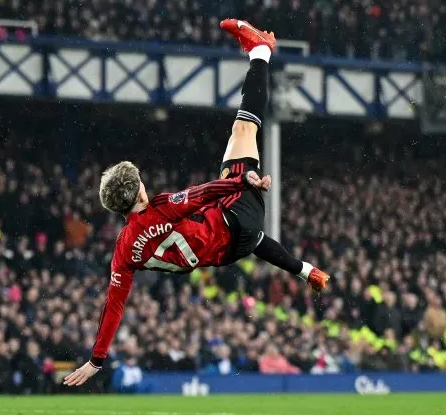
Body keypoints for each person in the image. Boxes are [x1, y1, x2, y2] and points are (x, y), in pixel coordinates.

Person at [64, 20, 330, 387]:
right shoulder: (161, 207)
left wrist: (97, 359)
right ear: (140, 191)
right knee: (244, 130)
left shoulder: (124, 251)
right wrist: (243, 180)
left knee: (246, 231)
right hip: (237, 211)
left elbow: (114, 306)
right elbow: (203, 192)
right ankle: (261, 51)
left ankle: (306, 270)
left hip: (229, 249)